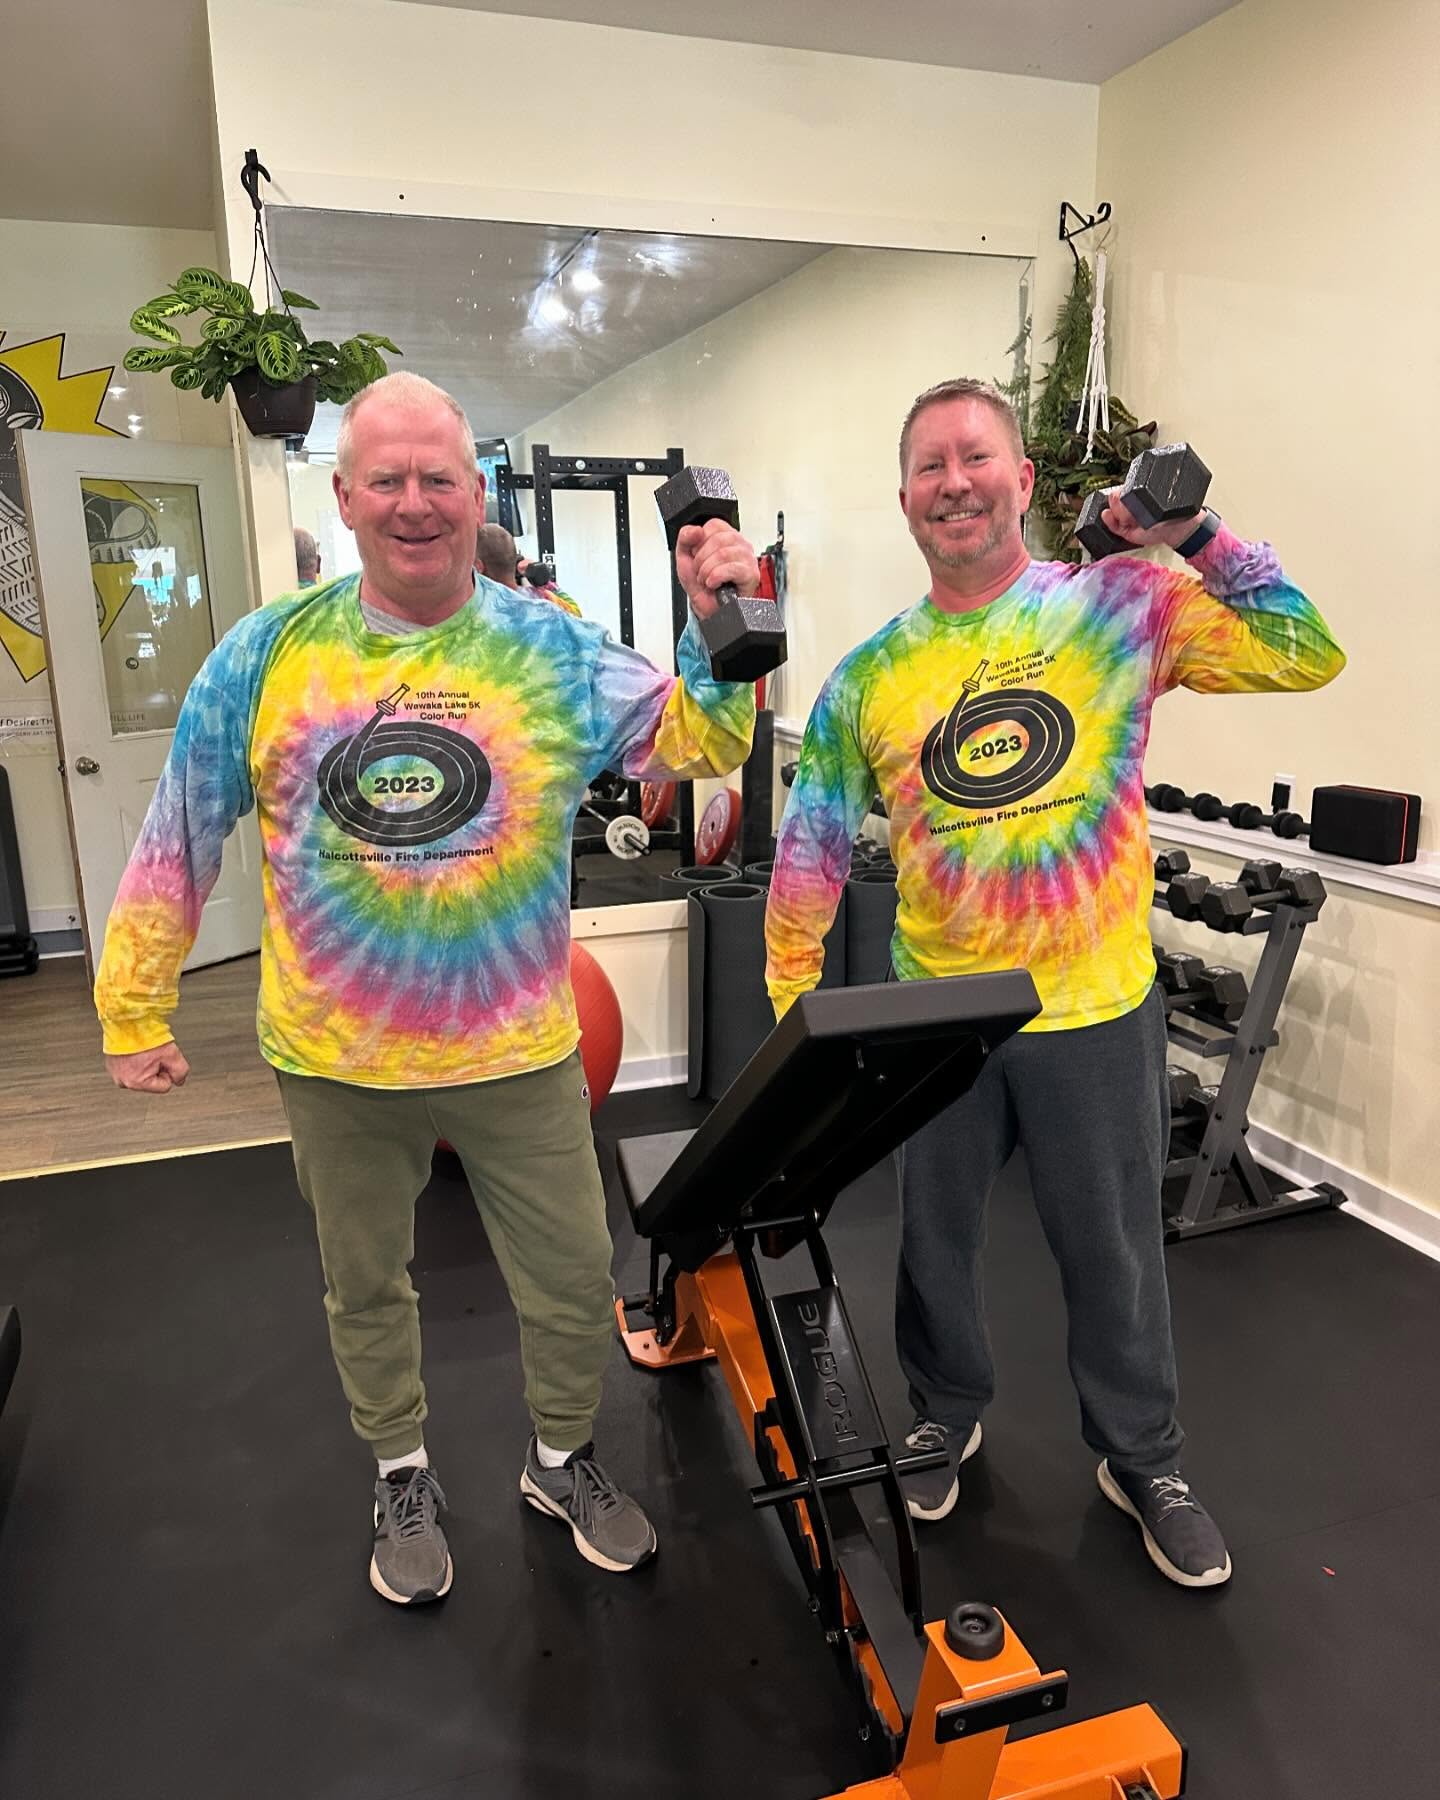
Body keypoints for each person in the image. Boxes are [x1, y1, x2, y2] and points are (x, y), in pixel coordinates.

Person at [95, 371, 759, 1605]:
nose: (414, 502)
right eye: (387, 479)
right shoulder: (268, 653)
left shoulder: (548, 648)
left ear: (477, 491)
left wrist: (718, 625)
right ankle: (402, 1467)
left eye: (438, 478)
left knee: (570, 1283)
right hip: (337, 1058)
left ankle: (562, 1461)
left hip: (518, 1045)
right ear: (343, 496)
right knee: (365, 1286)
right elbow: (179, 826)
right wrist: (134, 1005)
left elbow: (696, 746)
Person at [765, 377, 1344, 1590]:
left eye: (976, 457)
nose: (954, 482)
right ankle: (946, 1407)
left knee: (1117, 1250)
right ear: (906, 501)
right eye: (929, 466)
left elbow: (1306, 649)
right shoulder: (870, 676)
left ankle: (1143, 1457)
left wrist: (1194, 535)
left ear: (1024, 480)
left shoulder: (1120, 605)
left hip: (1094, 1002)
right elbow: (812, 848)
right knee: (934, 1239)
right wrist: (788, 1018)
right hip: (940, 1016)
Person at [474, 521, 581, 616]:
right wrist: (544, 583)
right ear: (515, 560)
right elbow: (576, 615)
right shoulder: (542, 600)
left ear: (478, 567)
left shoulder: (478, 611)